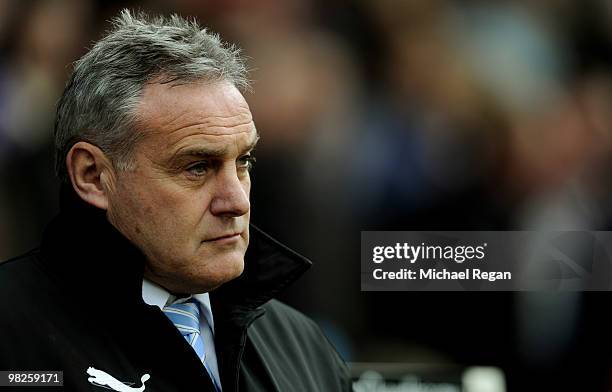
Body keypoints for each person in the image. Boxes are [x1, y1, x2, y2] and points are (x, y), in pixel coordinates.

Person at [0, 10, 350, 392]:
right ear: (93, 175)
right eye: (197, 167)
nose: (236, 201)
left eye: (243, 162)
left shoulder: (303, 347)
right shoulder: (12, 337)